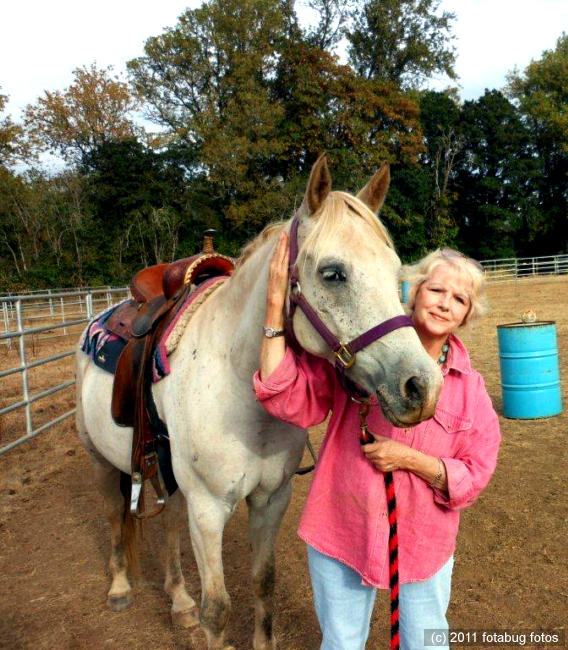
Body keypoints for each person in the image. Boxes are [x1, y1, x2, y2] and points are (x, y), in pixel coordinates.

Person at [253, 235, 501, 650]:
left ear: (466, 315)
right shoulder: (353, 358)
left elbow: (474, 474)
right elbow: (285, 394)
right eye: (436, 290)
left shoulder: (470, 390)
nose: (443, 303)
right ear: (413, 292)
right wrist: (274, 309)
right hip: (342, 530)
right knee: (342, 643)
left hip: (423, 544)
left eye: (458, 299)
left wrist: (411, 459)